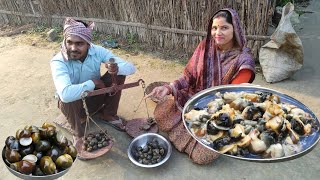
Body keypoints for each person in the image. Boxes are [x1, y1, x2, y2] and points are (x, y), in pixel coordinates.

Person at [146, 8, 255, 164]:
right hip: (193, 98)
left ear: (235, 29)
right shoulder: (206, 46)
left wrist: (203, 117)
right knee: (161, 114)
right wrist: (169, 88)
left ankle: (193, 139)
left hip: (219, 113)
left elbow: (231, 100)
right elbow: (188, 76)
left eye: (224, 27)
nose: (218, 32)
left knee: (202, 156)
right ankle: (186, 131)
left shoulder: (243, 60)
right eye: (214, 28)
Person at [50, 18, 136, 141]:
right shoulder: (58, 61)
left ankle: (109, 114)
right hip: (75, 108)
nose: (73, 48)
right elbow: (65, 94)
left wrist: (114, 67)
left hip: (97, 98)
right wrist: (92, 83)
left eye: (79, 43)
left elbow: (131, 68)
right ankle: (78, 134)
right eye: (69, 42)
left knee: (118, 74)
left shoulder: (97, 51)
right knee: (65, 97)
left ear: (88, 44)